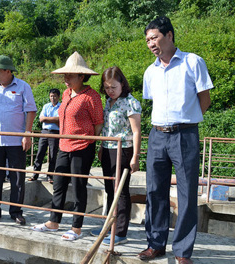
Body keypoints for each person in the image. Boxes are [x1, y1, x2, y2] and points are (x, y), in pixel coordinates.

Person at [137, 17, 213, 264]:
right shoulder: (150, 71)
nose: (151, 44)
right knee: (154, 190)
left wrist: (187, 121)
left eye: (155, 38)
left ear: (169, 35)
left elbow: (205, 99)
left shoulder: (193, 62)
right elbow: (154, 103)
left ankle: (182, 251)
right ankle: (155, 244)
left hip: (185, 134)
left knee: (187, 193)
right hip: (157, 135)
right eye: (148, 39)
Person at [32, 51, 104, 241]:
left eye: (70, 75)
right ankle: (53, 222)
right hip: (64, 144)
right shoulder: (65, 93)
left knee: (79, 186)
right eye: (65, 75)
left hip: (82, 146)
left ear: (82, 76)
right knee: (59, 184)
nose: (66, 79)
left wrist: (92, 143)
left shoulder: (91, 96)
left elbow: (98, 123)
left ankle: (76, 227)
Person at [0, 55, 37, 226]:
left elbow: (31, 111)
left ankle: (16, 212)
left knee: (17, 178)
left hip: (16, 141)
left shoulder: (23, 87)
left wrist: (27, 134)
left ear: (8, 71)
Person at [90, 66, 141, 246]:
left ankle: (120, 231)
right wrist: (102, 147)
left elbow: (136, 132)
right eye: (107, 87)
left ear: (122, 84)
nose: (110, 91)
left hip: (123, 149)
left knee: (121, 191)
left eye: (113, 87)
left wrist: (136, 156)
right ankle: (108, 226)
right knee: (110, 189)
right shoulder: (107, 102)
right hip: (107, 148)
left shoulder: (130, 102)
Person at [28, 88, 61, 183]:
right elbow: (41, 119)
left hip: (55, 133)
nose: (53, 98)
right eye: (51, 96)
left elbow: (60, 120)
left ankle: (50, 176)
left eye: (55, 96)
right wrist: (54, 119)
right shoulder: (46, 106)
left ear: (58, 97)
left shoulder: (61, 107)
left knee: (52, 155)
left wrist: (48, 119)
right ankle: (35, 174)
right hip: (44, 132)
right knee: (40, 153)